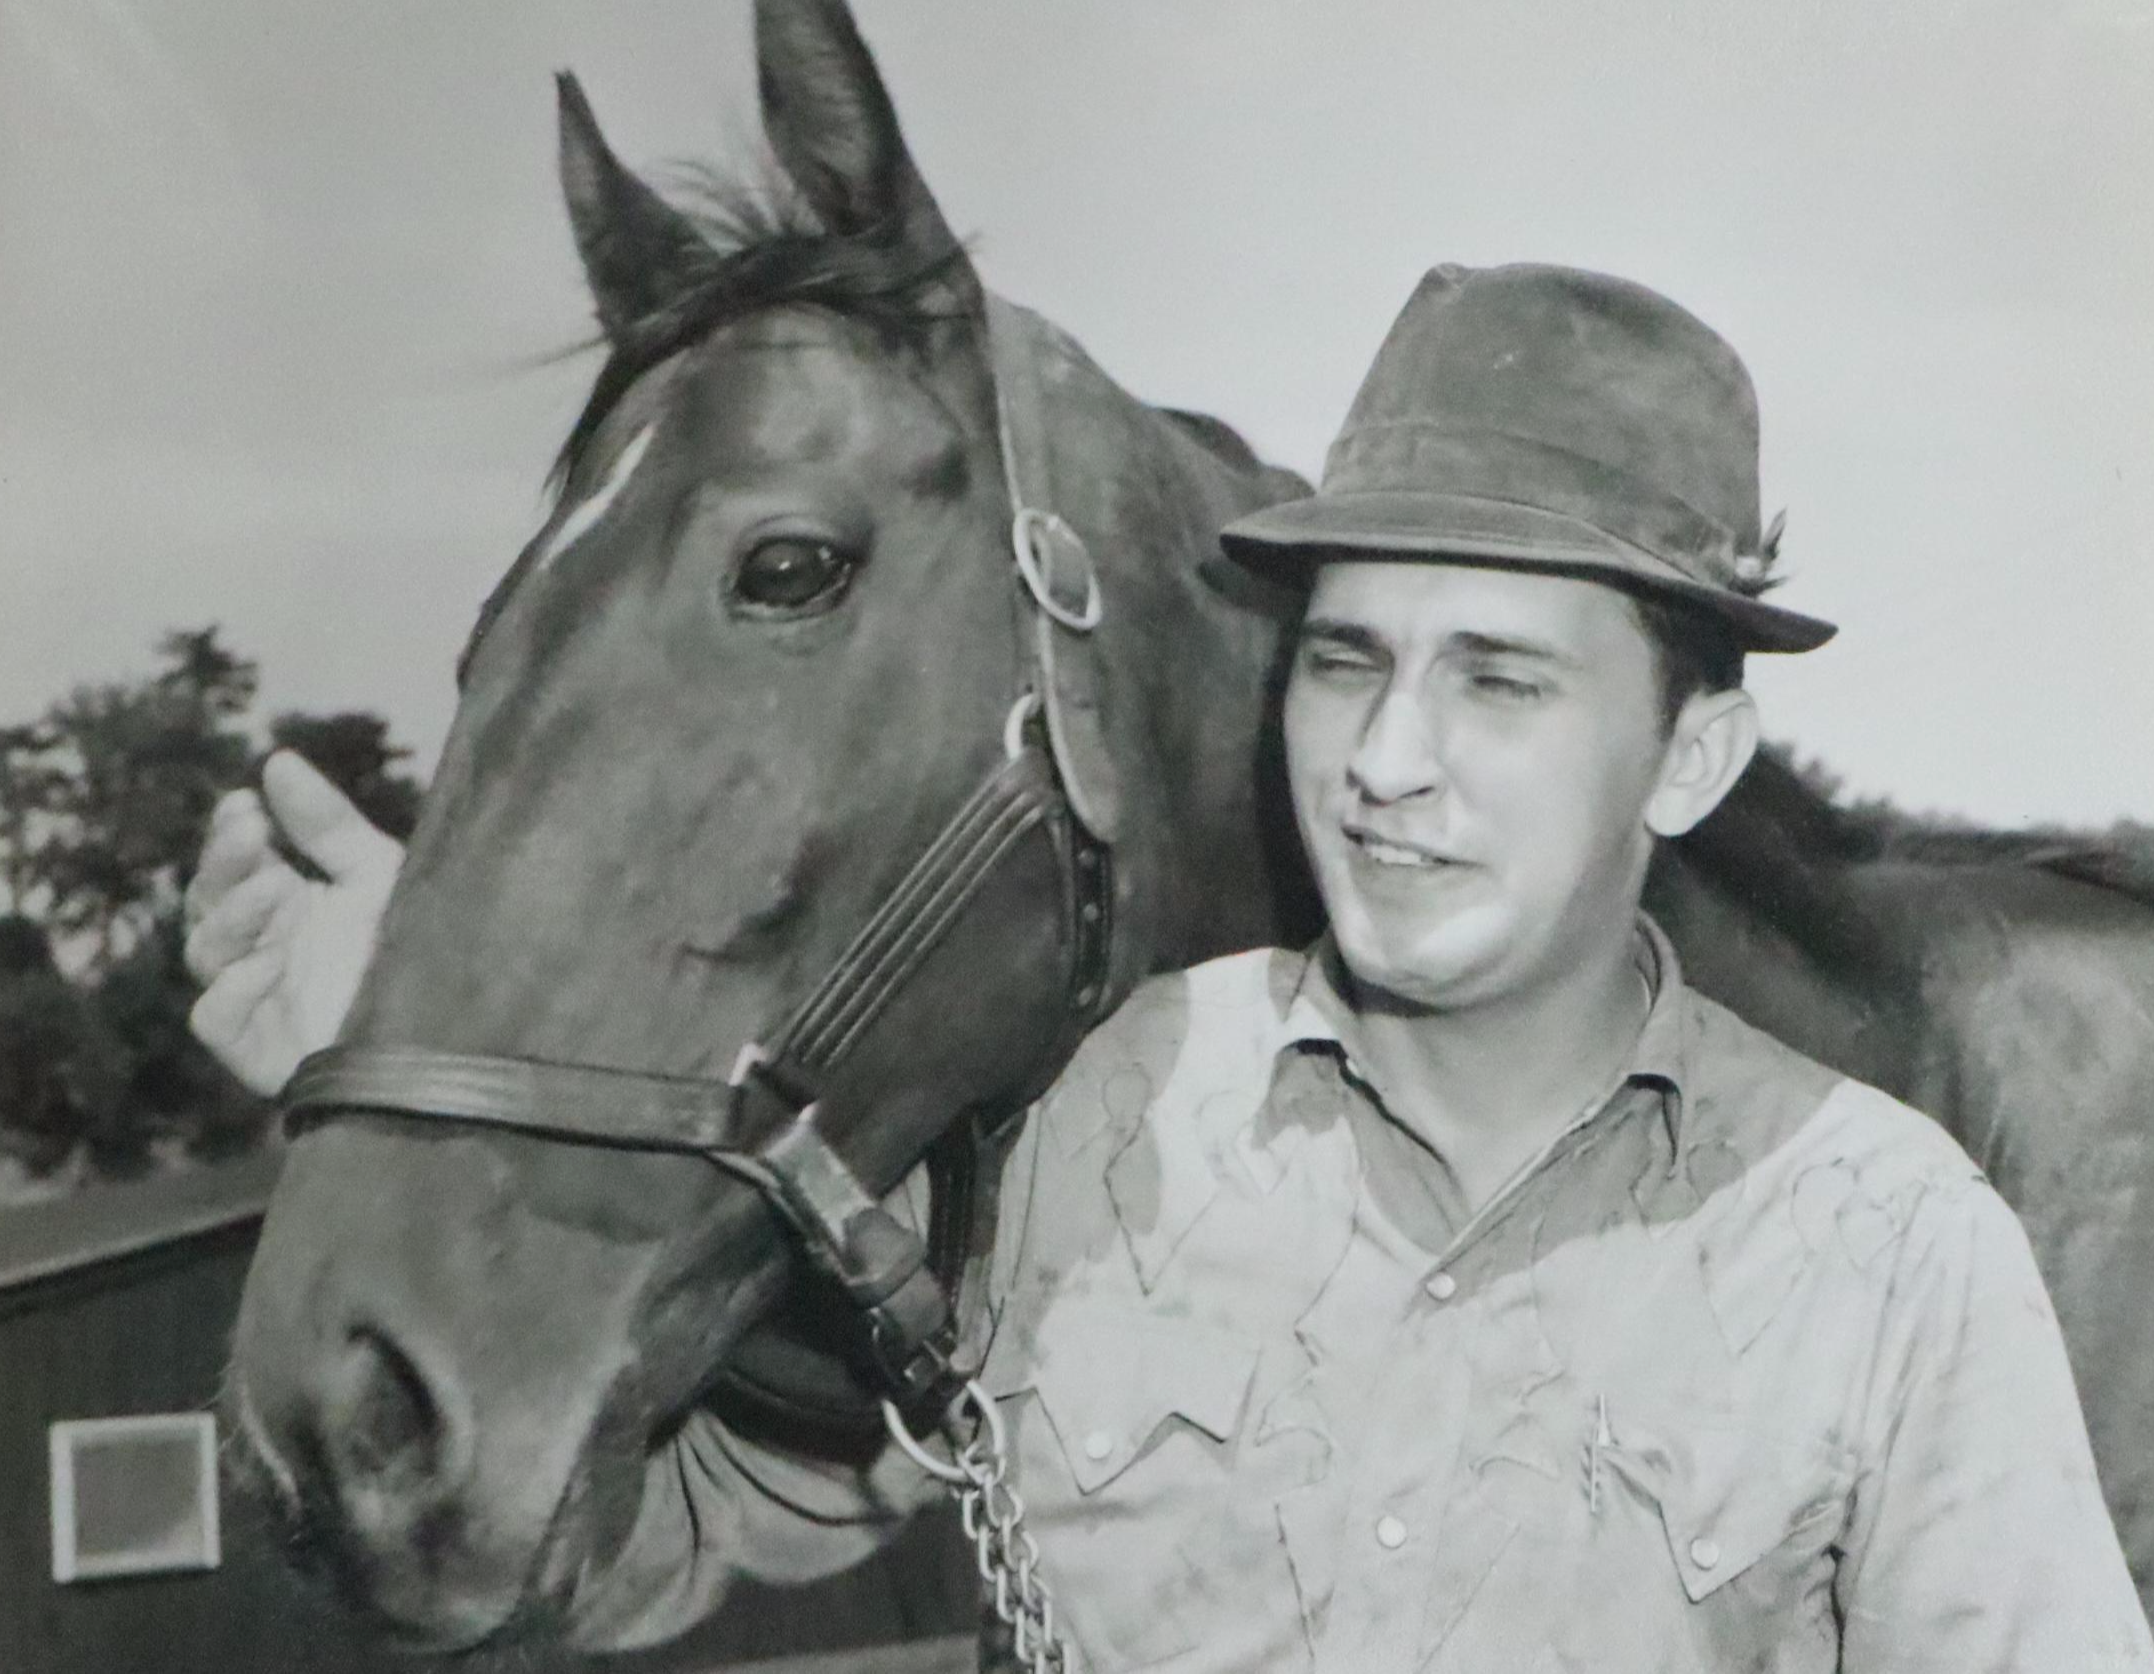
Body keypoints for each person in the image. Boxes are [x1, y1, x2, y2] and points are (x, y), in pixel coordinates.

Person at [188, 263, 2153, 1672]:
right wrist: (380, 1091)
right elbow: (544, 1565)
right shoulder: (1089, 1143)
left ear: (1694, 754)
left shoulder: (1900, 1249)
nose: (1389, 760)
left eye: (1504, 679)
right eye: (1349, 657)